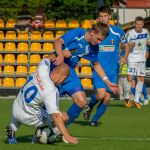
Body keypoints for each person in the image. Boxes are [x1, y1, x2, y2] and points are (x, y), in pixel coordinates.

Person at [52, 22, 119, 127]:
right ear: (92, 32)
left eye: (101, 40)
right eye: (98, 39)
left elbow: (96, 64)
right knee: (44, 104)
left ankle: (58, 131)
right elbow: (57, 41)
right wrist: (61, 55)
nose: (99, 42)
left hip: (70, 73)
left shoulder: (94, 48)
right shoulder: (78, 33)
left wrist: (107, 82)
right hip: (56, 69)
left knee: (82, 101)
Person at [6, 58, 78, 144]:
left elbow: (46, 58)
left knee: (27, 105)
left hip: (15, 109)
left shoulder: (42, 70)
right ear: (63, 77)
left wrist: (58, 56)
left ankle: (12, 128)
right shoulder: (51, 91)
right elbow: (55, 116)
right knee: (65, 117)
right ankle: (40, 134)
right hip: (30, 118)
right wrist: (66, 135)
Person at [83, 6, 129, 126]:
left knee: (107, 99)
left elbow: (127, 45)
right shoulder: (94, 32)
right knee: (101, 95)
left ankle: (94, 121)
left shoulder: (117, 31)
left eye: (105, 16)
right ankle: (90, 105)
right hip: (98, 69)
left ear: (110, 17)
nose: (103, 18)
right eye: (101, 16)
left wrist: (124, 58)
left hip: (113, 70)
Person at [126, 16, 150, 108]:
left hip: (142, 59)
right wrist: (128, 44)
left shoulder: (146, 32)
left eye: (140, 24)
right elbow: (122, 45)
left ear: (143, 24)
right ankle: (127, 97)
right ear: (134, 24)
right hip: (132, 58)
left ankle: (136, 100)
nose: (139, 26)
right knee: (130, 78)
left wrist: (147, 50)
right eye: (137, 24)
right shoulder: (130, 33)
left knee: (141, 79)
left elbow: (147, 42)